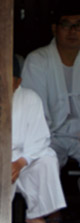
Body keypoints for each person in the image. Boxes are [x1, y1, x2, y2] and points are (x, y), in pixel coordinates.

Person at [0, 59, 67, 223]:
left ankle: (37, 214)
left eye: (8, 82)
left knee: (48, 159)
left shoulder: (31, 98)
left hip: (22, 159)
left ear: (18, 82)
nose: (1, 86)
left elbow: (38, 138)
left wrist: (20, 163)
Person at [21, 1, 80, 168]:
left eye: (78, 25)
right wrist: (42, 139)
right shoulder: (38, 60)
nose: (73, 31)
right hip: (50, 136)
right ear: (55, 29)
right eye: (66, 25)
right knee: (42, 166)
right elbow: (34, 111)